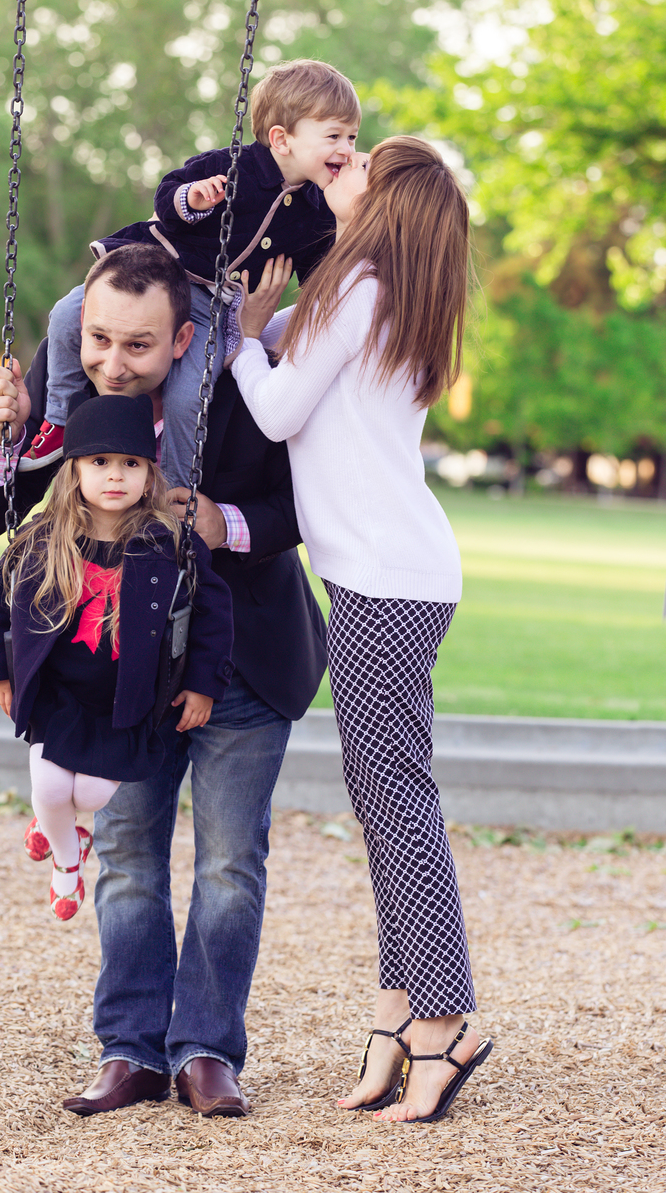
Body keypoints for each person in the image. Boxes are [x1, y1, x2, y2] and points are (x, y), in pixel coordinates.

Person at [0, 242, 327, 1117]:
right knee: (126, 855)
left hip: (242, 663)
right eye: (97, 340)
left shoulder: (240, 380)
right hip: (116, 682)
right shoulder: (72, 411)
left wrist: (223, 523)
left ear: (182, 338)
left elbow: (299, 506)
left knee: (232, 861)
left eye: (137, 346)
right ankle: (130, 1049)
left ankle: (206, 1049)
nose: (111, 363)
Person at [228, 136, 493, 1125]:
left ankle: (445, 1021)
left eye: (363, 163)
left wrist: (242, 339)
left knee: (394, 804)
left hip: (384, 582)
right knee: (382, 798)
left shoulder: (359, 292)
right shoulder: (381, 294)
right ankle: (397, 1006)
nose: (347, 160)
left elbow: (275, 411)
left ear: (386, 203)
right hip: (395, 575)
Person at [18, 58, 360, 487]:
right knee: (68, 314)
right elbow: (167, 194)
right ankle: (58, 423)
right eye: (334, 136)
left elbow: (321, 284)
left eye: (352, 137)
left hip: (208, 308)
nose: (347, 150)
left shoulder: (316, 212)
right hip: (148, 270)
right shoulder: (232, 165)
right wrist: (192, 201)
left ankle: (177, 488)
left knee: (188, 394)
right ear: (282, 138)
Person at [0, 392, 234, 923]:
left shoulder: (169, 543)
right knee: (49, 787)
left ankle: (65, 829)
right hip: (59, 695)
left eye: (131, 464)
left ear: (149, 473)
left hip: (125, 702)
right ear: (74, 472)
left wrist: (205, 683)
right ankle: (66, 867)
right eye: (100, 463)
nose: (115, 476)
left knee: (90, 795)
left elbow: (214, 614)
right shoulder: (44, 540)